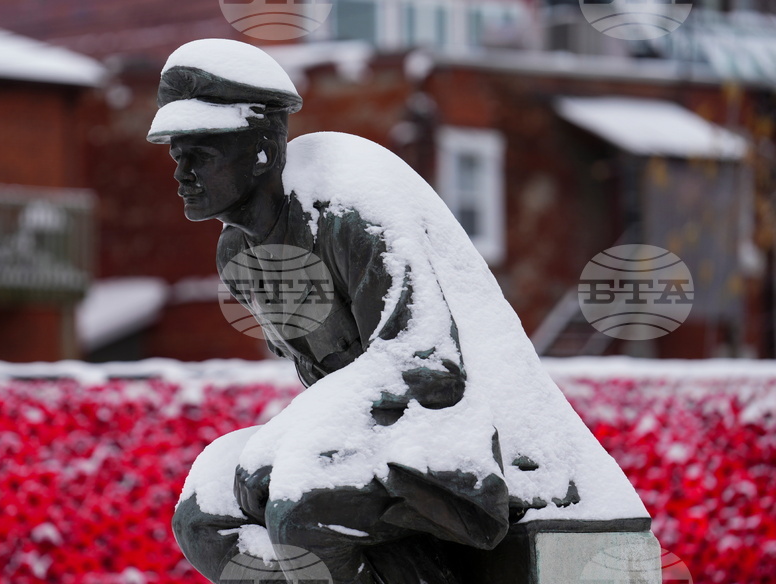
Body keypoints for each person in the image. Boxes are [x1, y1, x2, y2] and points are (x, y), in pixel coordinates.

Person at [147, 39, 649, 584]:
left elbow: (428, 363)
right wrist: (295, 444)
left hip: (474, 440)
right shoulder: (239, 255)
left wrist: (287, 440)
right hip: (375, 438)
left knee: (303, 509)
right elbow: (325, 381)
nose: (182, 174)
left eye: (201, 154)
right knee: (204, 518)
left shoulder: (349, 206)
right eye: (177, 155)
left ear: (264, 147)